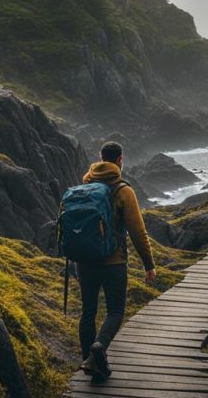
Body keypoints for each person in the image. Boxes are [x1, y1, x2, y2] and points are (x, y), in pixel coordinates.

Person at [77, 141, 156, 382]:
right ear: (120, 160)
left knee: (88, 311)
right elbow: (137, 231)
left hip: (85, 261)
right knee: (115, 311)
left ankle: (89, 363)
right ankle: (98, 349)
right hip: (114, 262)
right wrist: (149, 263)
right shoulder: (123, 190)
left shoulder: (85, 184)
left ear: (101, 158)